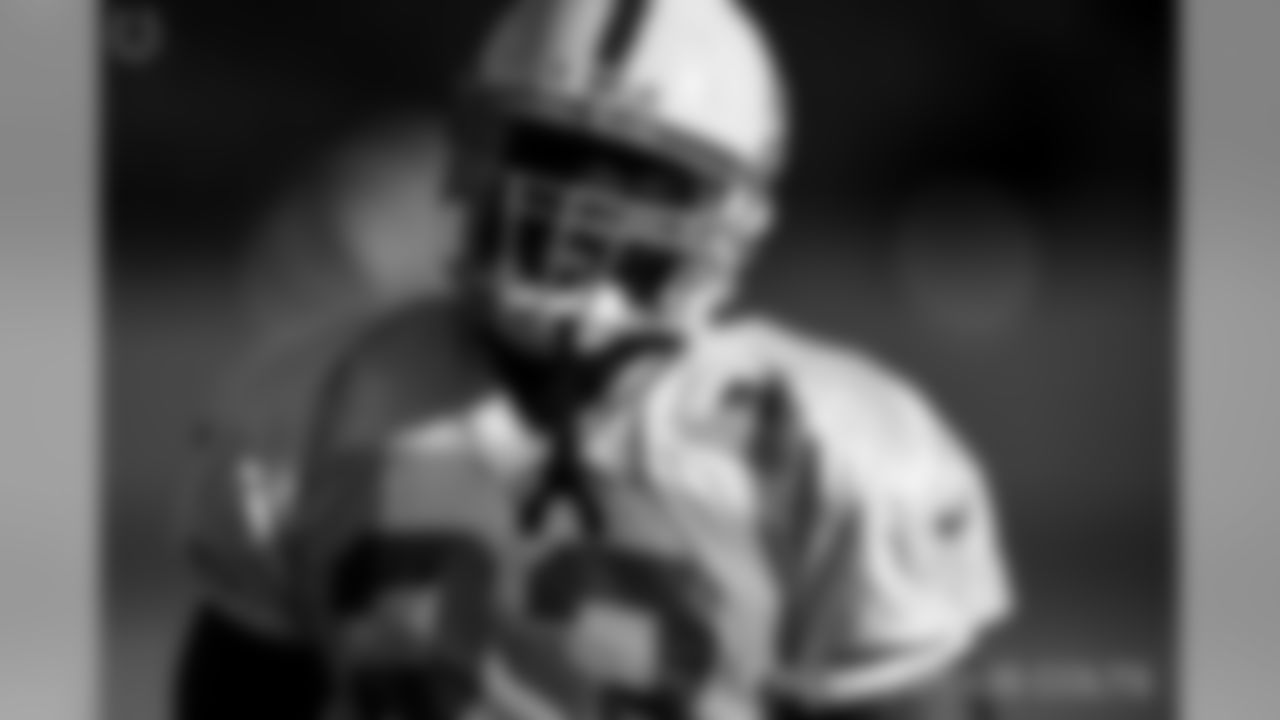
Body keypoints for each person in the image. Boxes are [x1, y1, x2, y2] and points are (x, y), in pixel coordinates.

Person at [173, 1, 1017, 719]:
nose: (569, 211)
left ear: (728, 213)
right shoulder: (313, 405)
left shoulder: (829, 447)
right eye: (547, 151)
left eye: (631, 178)